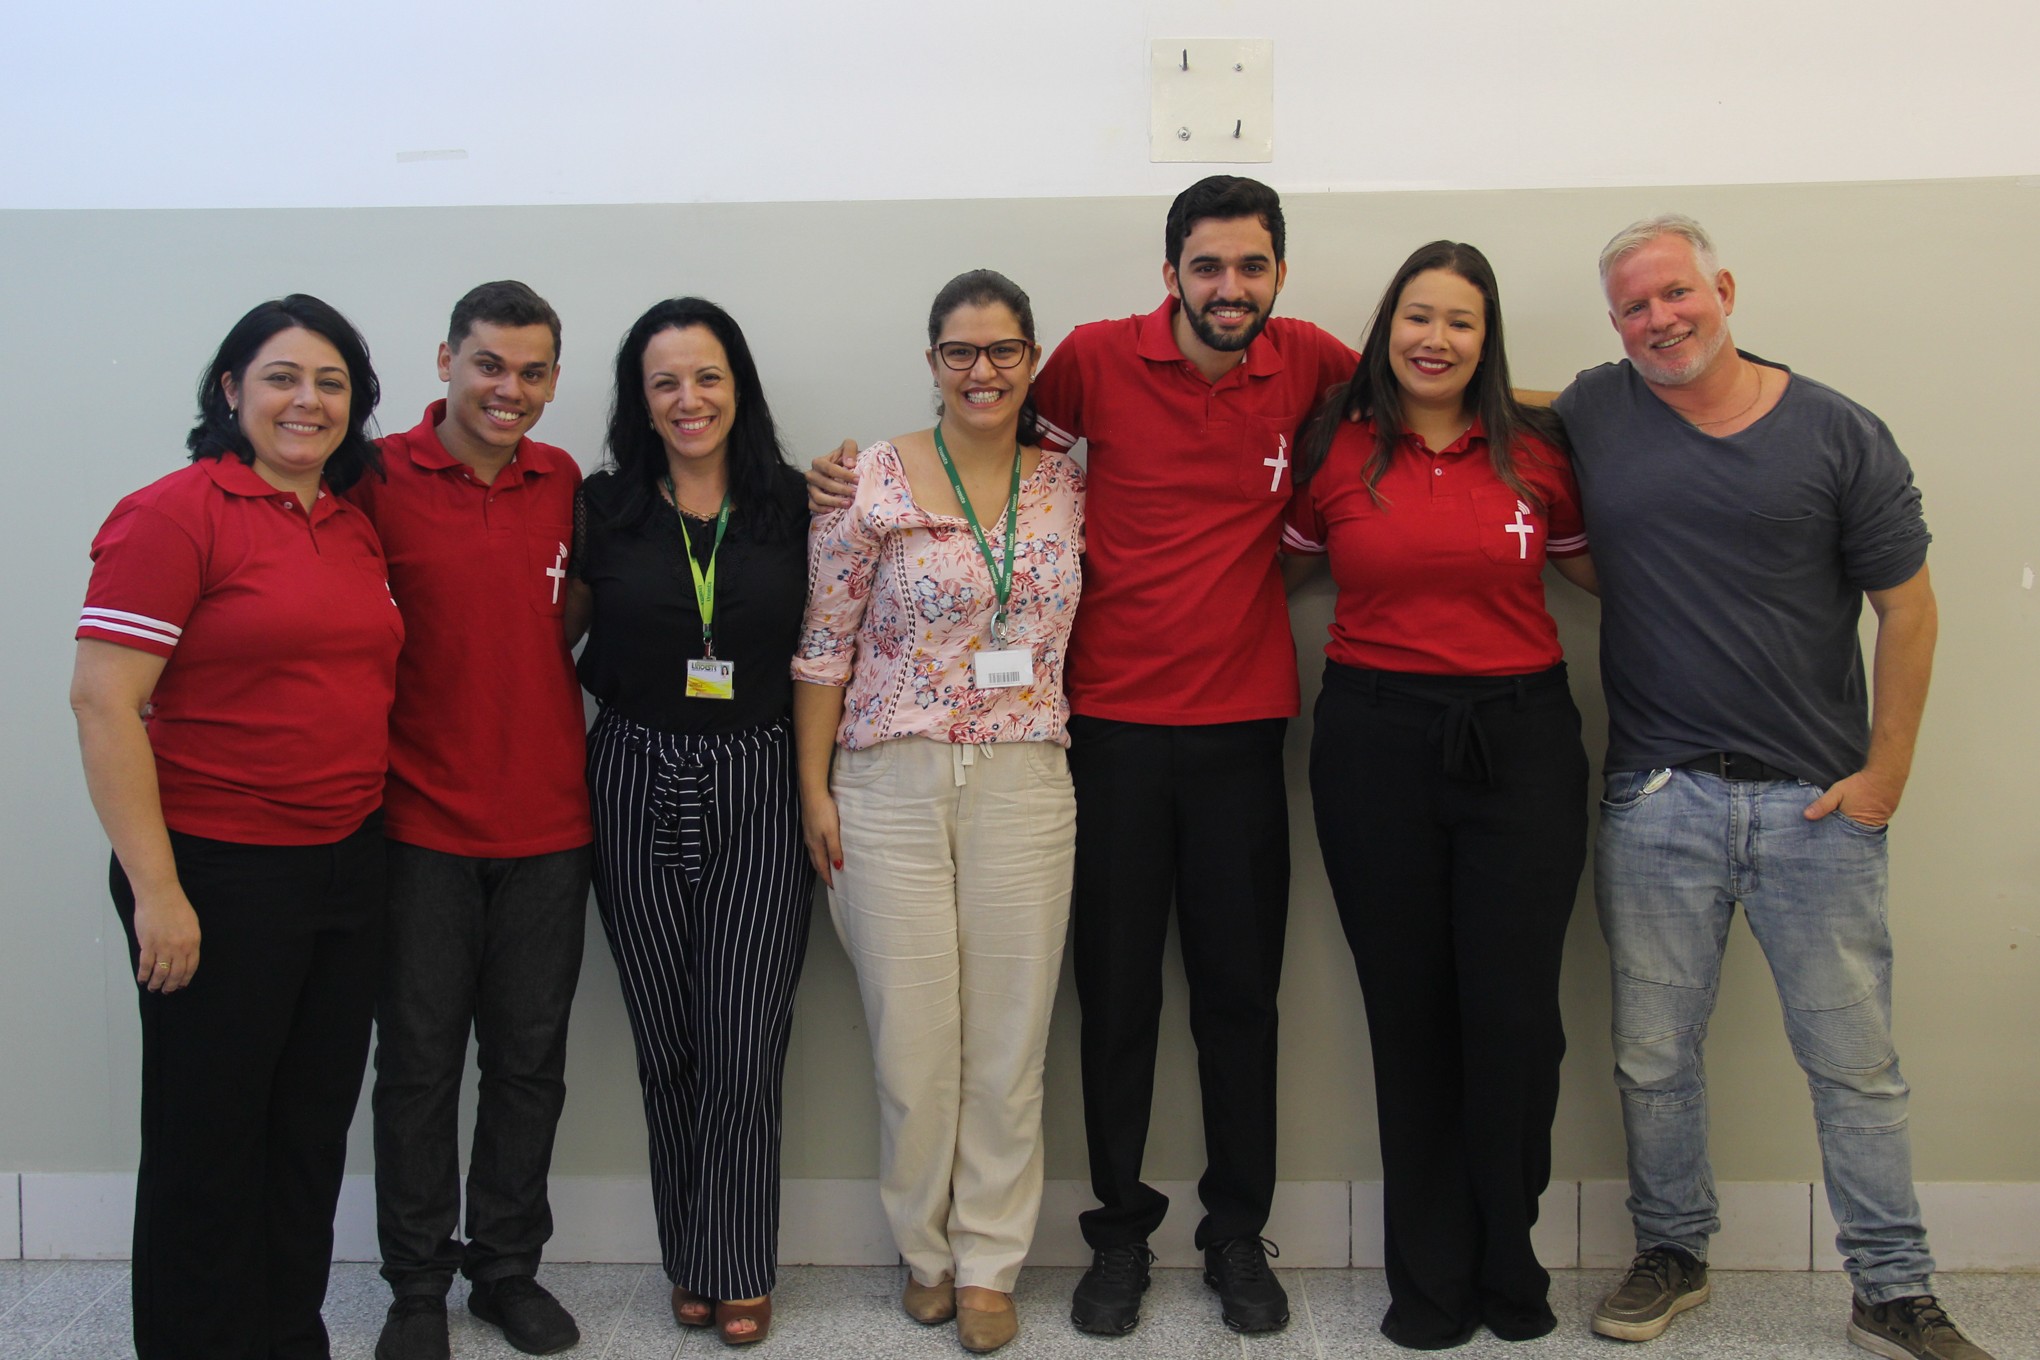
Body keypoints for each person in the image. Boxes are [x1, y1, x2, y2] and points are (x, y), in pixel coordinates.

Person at [810, 176, 1357, 1337]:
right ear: (1170, 274)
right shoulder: (1093, 363)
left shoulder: (1309, 360)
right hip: (1102, 731)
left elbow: (1429, 384)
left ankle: (1235, 1234)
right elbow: (982, 445)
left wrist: (1597, 397)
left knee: (1239, 999)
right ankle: (1118, 1234)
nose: (1229, 287)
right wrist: (839, 480)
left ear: (1278, 274)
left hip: (1241, 727)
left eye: (1250, 266)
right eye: (1206, 266)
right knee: (1110, 1002)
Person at [1558, 215, 1996, 1360]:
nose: (1660, 319)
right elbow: (1489, 403)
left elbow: (1909, 605)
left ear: (1724, 288)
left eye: (1676, 293)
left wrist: (1885, 775)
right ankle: (1673, 1249)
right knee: (1654, 1054)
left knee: (1856, 1064)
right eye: (1634, 307)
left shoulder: (1838, 431)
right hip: (1659, 799)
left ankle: (1893, 1288)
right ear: (1615, 325)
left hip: (1817, 806)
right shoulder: (1599, 409)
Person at [70, 295, 401, 1359]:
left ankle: (285, 1338)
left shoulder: (350, 523)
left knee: (306, 1135)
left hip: (345, 866)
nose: (308, 401)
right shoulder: (173, 514)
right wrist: (158, 893)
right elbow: (103, 702)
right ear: (231, 390)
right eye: (282, 377)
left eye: (331, 383)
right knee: (207, 1144)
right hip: (215, 872)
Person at [1282, 241, 1595, 1349]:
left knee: (1517, 1022)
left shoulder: (1541, 448)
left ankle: (1510, 1260)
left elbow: (1612, 569)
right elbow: (1271, 566)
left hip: (1523, 742)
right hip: (1375, 744)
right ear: (1388, 327)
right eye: (1418, 316)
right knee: (1409, 1018)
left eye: (1461, 321)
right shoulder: (1333, 444)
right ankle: (1428, 1279)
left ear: (1486, 339)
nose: (1436, 339)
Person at [793, 269, 1085, 1356]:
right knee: (910, 1045)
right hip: (887, 785)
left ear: (1031, 358)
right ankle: (924, 1250)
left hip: (1024, 782)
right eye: (960, 351)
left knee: (1009, 1043)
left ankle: (990, 1261)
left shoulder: (1071, 482)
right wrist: (813, 790)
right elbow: (822, 646)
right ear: (932, 361)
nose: (982, 370)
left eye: (1003, 349)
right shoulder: (865, 480)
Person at [349, 281, 591, 1360]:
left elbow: (570, 616)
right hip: (417, 827)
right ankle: (415, 1287)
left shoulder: (564, 480)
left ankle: (505, 1271)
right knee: (417, 1067)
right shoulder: (374, 477)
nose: (510, 389)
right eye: (490, 364)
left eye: (533, 372)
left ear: (554, 379)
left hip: (550, 825)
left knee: (529, 1065)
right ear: (446, 358)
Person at [563, 297, 811, 1347]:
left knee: (743, 1043)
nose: (688, 399)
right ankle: (691, 1257)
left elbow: (831, 648)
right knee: (665, 1042)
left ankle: (740, 1262)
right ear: (641, 398)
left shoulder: (795, 502)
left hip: (760, 775)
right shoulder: (601, 507)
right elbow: (548, 635)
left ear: (737, 385)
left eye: (706, 376)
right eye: (664, 381)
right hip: (632, 770)